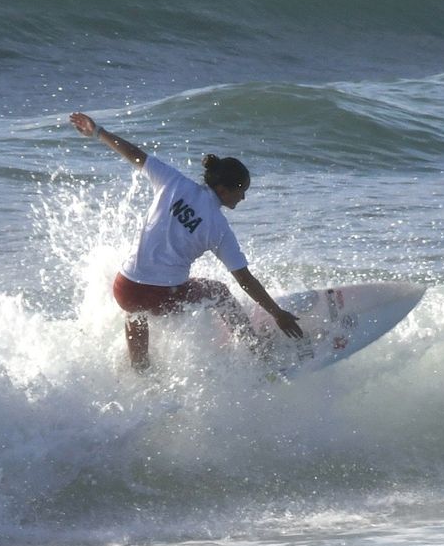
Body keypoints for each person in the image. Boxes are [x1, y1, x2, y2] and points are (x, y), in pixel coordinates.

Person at [70, 112, 303, 371]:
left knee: (135, 310)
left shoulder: (173, 182)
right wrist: (277, 313)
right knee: (219, 292)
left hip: (124, 286)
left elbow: (134, 154)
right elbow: (245, 280)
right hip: (160, 295)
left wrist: (97, 131)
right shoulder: (219, 228)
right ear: (224, 190)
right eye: (242, 191)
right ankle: (256, 350)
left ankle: (140, 371)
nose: (243, 198)